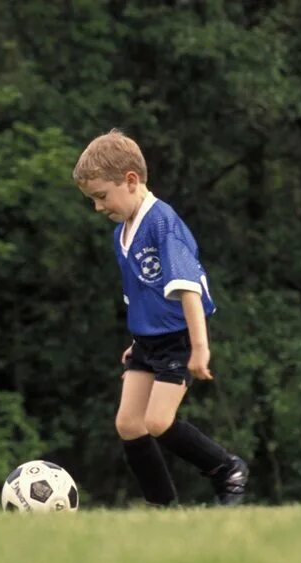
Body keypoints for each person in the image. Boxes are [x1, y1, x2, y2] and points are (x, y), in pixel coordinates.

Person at [72, 129, 248, 506]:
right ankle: (162, 507)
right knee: (128, 425)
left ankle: (226, 468)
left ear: (131, 181)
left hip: (179, 338)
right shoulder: (122, 232)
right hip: (149, 342)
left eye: (101, 196)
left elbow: (189, 289)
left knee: (158, 422)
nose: (98, 207)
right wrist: (137, 342)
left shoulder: (162, 223)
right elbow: (143, 293)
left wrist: (199, 349)